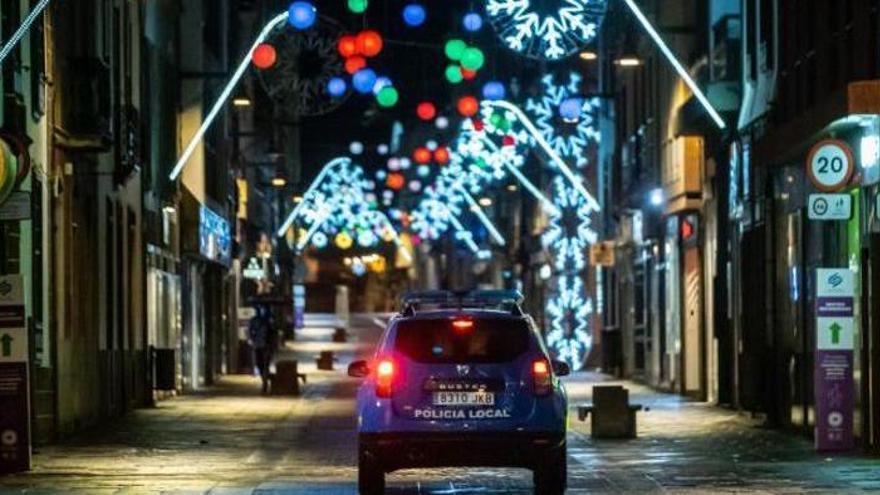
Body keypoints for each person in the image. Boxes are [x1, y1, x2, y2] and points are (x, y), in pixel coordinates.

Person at [248, 304, 276, 394]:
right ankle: (266, 378)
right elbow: (250, 332)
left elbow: (273, 333)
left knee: (265, 365)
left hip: (266, 346)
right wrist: (252, 338)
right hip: (258, 345)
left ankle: (265, 383)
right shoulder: (254, 320)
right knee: (260, 364)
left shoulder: (269, 320)